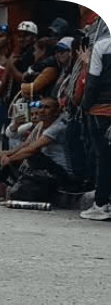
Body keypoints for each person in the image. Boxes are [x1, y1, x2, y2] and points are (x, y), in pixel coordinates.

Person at [0, 97, 74, 203]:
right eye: (41, 107)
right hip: (45, 172)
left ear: (56, 111)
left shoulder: (58, 127)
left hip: (60, 174)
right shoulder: (40, 125)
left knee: (33, 156)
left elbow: (32, 149)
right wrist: (6, 154)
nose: (42, 110)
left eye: (47, 107)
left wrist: (10, 159)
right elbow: (26, 144)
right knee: (2, 160)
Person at [80, 34, 111, 221]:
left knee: (104, 158)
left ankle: (101, 204)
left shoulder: (102, 46)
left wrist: (85, 106)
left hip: (102, 111)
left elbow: (92, 83)